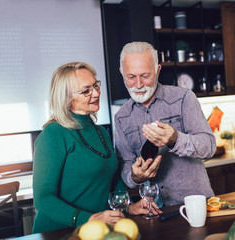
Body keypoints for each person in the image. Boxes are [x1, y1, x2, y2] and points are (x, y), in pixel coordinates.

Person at [33, 62, 160, 233]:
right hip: (57, 232)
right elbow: (43, 199)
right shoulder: (53, 134)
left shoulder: (100, 131)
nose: (96, 93)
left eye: (95, 86)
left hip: (96, 230)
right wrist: (90, 219)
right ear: (66, 97)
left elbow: (113, 180)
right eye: (86, 90)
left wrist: (127, 207)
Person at [114, 42, 216, 207]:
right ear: (122, 73)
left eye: (145, 76)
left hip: (196, 204)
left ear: (158, 70)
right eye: (131, 77)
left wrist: (175, 139)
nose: (138, 84)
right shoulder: (121, 117)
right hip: (155, 211)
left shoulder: (183, 99)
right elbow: (125, 163)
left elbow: (209, 147)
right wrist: (134, 176)